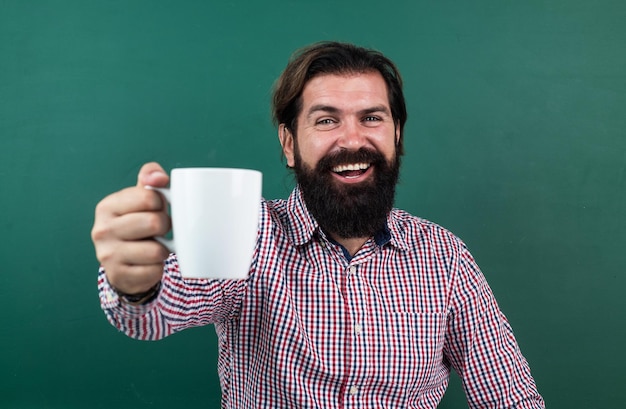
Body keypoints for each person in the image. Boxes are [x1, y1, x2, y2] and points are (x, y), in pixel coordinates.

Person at [92, 41, 545, 408]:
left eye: (372, 118)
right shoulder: (245, 235)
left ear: (396, 135)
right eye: (326, 120)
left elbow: (510, 394)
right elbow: (152, 313)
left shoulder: (445, 257)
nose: (352, 140)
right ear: (289, 144)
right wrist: (136, 284)